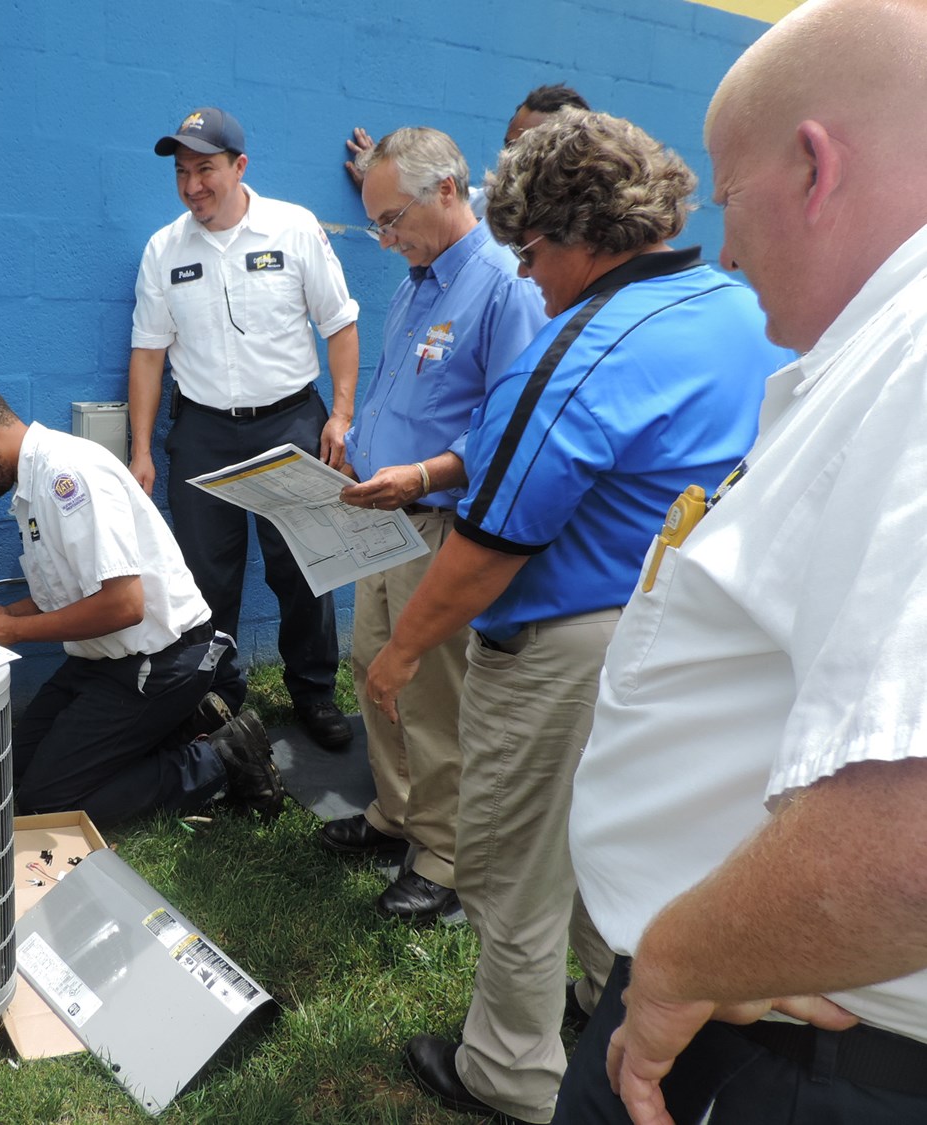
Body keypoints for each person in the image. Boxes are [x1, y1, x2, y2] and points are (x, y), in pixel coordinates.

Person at [366, 111, 790, 1124]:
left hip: (560, 646)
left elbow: (487, 547)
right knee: (616, 852)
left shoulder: (588, 341)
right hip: (671, 637)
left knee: (512, 874)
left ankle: (507, 1072)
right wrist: (434, 465)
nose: (529, 276)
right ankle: (606, 1009)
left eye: (533, 252)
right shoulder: (737, 306)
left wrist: (400, 652)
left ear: (573, 235)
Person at [559, 3, 927, 1122]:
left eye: (728, 198)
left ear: (815, 168)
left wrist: (680, 964)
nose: (722, 249)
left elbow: (912, 835)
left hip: (779, 1047)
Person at [319, 126, 546, 926]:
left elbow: (510, 424)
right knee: (370, 663)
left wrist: (420, 473)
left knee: (424, 687)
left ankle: (444, 853)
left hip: (434, 522)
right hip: (382, 514)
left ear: (448, 192)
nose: (384, 239)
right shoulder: (418, 278)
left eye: (391, 220)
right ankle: (395, 814)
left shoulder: (502, 286)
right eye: (376, 222)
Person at [0, 383, 285, 825]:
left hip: (160, 660)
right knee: (10, 772)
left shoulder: (67, 476)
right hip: (102, 659)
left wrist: (15, 632)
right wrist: (7, 615)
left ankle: (221, 760)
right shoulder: (32, 484)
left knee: (50, 802)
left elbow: (124, 606)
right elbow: (69, 593)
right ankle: (182, 726)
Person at [129, 106, 362, 750]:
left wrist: (340, 414)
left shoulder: (292, 228)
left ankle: (314, 691)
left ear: (239, 166)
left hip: (290, 421)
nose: (192, 185)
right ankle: (217, 701)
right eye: (182, 172)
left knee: (304, 568)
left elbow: (340, 325)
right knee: (206, 576)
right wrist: (142, 449)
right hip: (201, 430)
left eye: (205, 168)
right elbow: (148, 353)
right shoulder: (164, 248)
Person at [344, 84, 591, 212]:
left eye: (526, 149)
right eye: (508, 145)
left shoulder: (594, 225)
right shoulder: (491, 204)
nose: (508, 157)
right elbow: (438, 201)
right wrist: (384, 180)